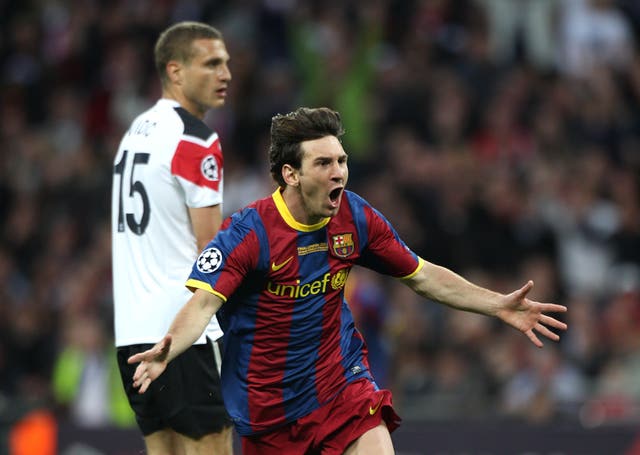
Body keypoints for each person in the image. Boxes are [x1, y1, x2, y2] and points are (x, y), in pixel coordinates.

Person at [128, 107, 568, 455]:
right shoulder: (248, 233)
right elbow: (203, 305)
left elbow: (421, 275)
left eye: (342, 160)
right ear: (291, 174)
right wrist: (168, 348)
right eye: (323, 163)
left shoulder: (354, 216)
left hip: (341, 386)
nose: (338, 172)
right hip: (269, 412)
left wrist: (497, 305)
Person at [110, 21, 233, 454]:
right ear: (176, 71)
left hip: (132, 333)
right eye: (212, 64)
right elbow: (214, 252)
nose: (226, 75)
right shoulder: (196, 139)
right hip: (184, 337)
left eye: (226, 64)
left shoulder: (134, 133)